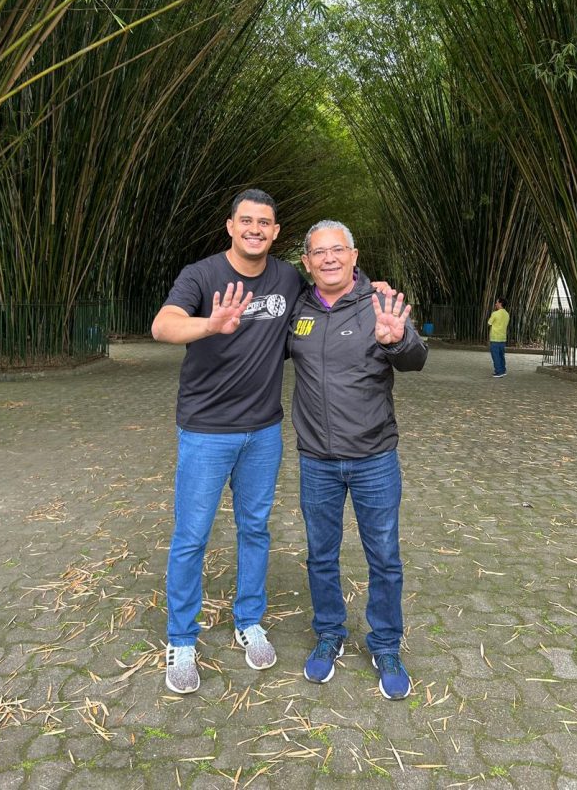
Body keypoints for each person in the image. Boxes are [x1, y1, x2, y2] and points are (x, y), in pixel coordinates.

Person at [151, 189, 305, 694]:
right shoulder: (201, 275)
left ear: (276, 231)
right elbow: (163, 325)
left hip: (263, 430)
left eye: (265, 221)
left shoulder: (287, 276)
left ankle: (249, 621)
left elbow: (331, 293)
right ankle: (181, 638)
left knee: (255, 528)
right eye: (246, 221)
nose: (255, 228)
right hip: (205, 430)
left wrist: (372, 289)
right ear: (230, 226)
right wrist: (209, 325)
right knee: (191, 535)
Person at [287, 220, 428, 701]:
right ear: (306, 262)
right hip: (317, 461)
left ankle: (386, 643)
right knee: (320, 554)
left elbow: (415, 360)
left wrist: (396, 340)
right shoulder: (297, 307)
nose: (328, 258)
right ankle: (329, 633)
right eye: (318, 252)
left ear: (353, 255)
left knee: (384, 557)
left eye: (337, 250)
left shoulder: (379, 303)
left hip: (374, 458)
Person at [488, 297, 510, 377]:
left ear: (500, 303)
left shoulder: (495, 313)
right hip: (503, 338)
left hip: (495, 338)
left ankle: (499, 372)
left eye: (497, 302)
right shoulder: (507, 314)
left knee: (496, 356)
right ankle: (503, 370)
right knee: (501, 355)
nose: (495, 304)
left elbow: (489, 323)